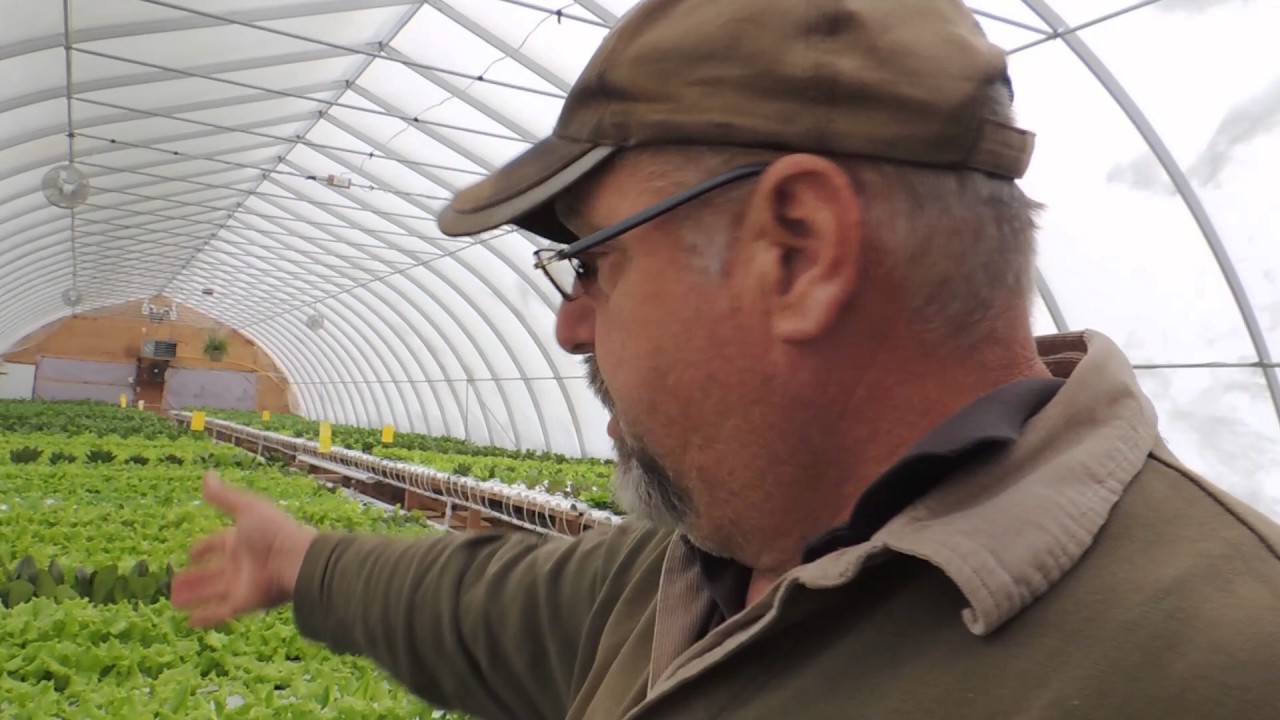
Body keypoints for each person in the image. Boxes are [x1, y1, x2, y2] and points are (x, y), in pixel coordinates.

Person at [173, 0, 1280, 718]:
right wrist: (299, 564)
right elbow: (475, 602)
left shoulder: (1223, 664)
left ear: (796, 250)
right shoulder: (699, 572)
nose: (569, 326)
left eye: (592, 263)